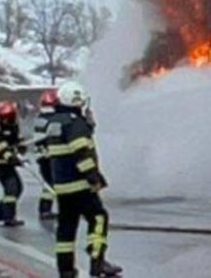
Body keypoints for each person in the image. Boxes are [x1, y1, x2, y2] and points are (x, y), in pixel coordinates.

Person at [40, 81, 120, 277]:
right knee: (99, 217)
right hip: (79, 185)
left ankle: (66, 270)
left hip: (62, 186)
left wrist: (88, 126)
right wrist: (93, 177)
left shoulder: (55, 123)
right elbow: (81, 152)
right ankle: (97, 260)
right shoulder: (75, 123)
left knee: (66, 228)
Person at [0, 102, 27, 227]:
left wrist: (22, 147)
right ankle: (9, 217)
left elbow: (18, 140)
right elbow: (3, 148)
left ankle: (1, 212)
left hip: (6, 161)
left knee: (18, 188)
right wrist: (11, 158)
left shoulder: (14, 127)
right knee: (12, 188)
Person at [32, 89, 59, 222]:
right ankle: (45, 210)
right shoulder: (54, 119)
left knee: (49, 183)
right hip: (50, 156)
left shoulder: (40, 118)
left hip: (42, 156)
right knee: (53, 183)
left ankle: (45, 209)